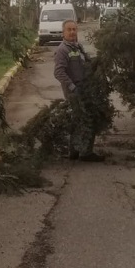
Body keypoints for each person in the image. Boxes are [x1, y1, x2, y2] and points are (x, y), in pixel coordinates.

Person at [53, 20, 105, 162]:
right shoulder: (63, 50)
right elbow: (58, 72)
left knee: (79, 119)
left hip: (84, 88)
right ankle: (85, 152)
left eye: (74, 29)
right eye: (69, 29)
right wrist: (72, 87)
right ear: (63, 32)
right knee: (84, 119)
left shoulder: (77, 47)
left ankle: (75, 151)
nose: (72, 32)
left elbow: (87, 63)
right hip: (74, 91)